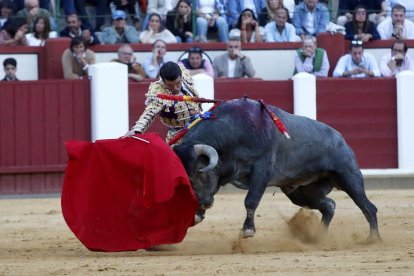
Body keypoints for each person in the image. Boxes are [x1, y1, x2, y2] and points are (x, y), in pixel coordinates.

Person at [124, 61, 202, 142]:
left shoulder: (185, 78)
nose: (175, 88)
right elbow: (149, 113)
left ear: (181, 77)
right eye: (170, 85)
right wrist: (136, 130)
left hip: (199, 128)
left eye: (178, 83)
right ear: (164, 82)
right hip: (179, 138)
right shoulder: (159, 92)